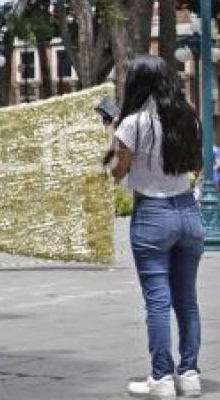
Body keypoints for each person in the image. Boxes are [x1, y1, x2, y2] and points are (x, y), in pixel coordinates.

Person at [105, 55, 204, 398]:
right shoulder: (188, 118)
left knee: (158, 302)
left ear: (138, 83)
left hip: (152, 214)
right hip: (188, 212)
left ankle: (161, 378)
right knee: (187, 300)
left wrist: (111, 134)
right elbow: (195, 165)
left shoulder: (133, 123)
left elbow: (117, 173)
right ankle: (189, 374)